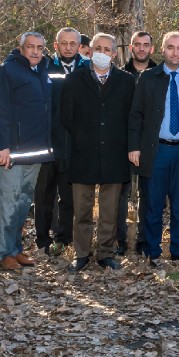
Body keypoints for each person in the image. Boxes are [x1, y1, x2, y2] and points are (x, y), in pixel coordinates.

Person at [128, 31, 179, 266]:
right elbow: (136, 115)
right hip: (155, 150)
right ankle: (152, 250)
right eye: (170, 47)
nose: (175, 52)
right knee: (153, 203)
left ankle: (178, 251)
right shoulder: (149, 78)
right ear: (162, 49)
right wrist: (134, 147)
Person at [62, 32, 135, 271]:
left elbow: (131, 118)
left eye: (107, 49)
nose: (102, 53)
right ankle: (81, 253)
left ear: (114, 54)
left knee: (109, 211)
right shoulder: (75, 79)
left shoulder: (126, 81)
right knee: (81, 209)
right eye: (97, 48)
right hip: (83, 153)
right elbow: (66, 117)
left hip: (114, 154)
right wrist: (81, 139)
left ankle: (106, 253)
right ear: (89, 51)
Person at [0, 32, 53, 270]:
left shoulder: (44, 71)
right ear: (21, 48)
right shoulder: (6, 71)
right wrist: (1, 146)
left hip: (36, 151)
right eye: (30, 47)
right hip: (12, 152)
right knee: (10, 201)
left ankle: (16, 249)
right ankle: (5, 252)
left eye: (40, 47)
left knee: (25, 201)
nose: (35, 52)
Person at [35, 27, 82, 258]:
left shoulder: (86, 67)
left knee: (69, 196)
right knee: (44, 196)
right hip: (48, 143)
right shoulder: (44, 67)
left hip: (74, 146)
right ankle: (42, 240)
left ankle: (64, 238)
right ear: (56, 45)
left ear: (79, 45)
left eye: (73, 43)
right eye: (64, 43)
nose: (68, 47)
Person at [119, 30, 156, 256]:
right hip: (123, 143)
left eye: (145, 45)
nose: (141, 48)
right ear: (131, 47)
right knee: (122, 194)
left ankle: (144, 239)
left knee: (149, 195)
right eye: (137, 44)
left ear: (152, 48)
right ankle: (120, 240)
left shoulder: (160, 74)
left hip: (151, 144)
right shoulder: (121, 75)